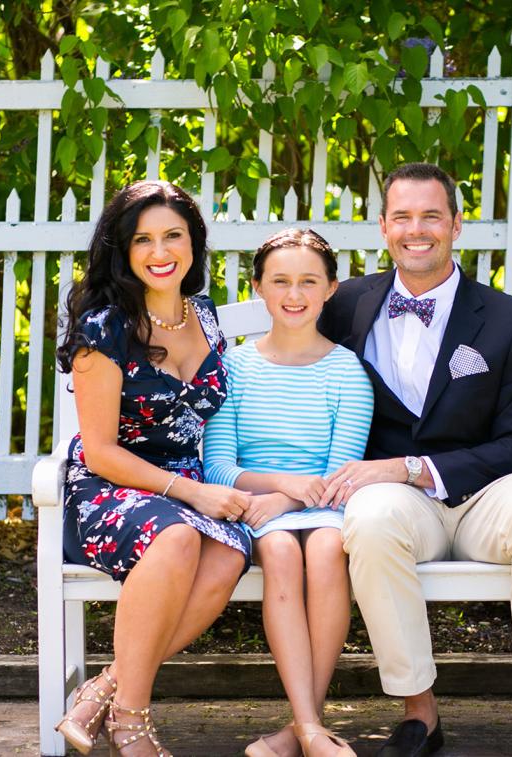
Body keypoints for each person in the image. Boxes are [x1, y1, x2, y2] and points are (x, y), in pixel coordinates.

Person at [317, 163, 512, 757]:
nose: (417, 229)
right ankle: (420, 715)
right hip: (401, 505)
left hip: (490, 492)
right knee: (371, 520)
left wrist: (412, 467)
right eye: (402, 217)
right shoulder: (347, 306)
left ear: (456, 225)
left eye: (431, 216)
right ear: (382, 227)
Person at [55, 181, 252, 757]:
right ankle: (131, 724)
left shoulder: (207, 317)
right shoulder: (105, 326)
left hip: (193, 485)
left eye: (173, 236)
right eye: (143, 239)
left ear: (194, 243)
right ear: (122, 250)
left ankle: (102, 690)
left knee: (228, 554)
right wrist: (193, 493)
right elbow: (100, 451)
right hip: (112, 485)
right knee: (177, 537)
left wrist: (223, 486)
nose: (160, 251)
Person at [203, 229, 373, 757]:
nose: (293, 294)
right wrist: (278, 488)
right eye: (280, 281)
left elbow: (338, 473)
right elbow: (219, 467)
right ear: (259, 288)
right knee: (279, 551)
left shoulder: (347, 371)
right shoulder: (232, 367)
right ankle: (311, 728)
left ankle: (302, 727)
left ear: (330, 290)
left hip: (325, 505)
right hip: (256, 506)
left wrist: (294, 498)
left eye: (308, 282)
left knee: (325, 550)